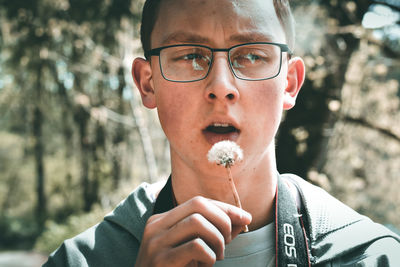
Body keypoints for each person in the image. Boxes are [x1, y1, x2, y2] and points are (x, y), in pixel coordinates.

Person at [43, 0, 400, 266]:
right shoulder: (81, 261)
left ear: (289, 83)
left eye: (251, 55)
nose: (221, 86)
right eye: (189, 56)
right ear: (147, 84)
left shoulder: (373, 256)